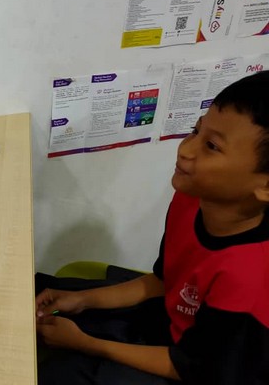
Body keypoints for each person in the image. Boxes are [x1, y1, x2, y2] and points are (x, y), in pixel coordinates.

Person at [35, 71, 269, 384]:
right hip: (167, 323)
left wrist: (87, 344)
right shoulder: (190, 198)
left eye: (212, 146)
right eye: (195, 130)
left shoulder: (250, 278)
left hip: (194, 367)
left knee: (57, 374)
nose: (186, 149)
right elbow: (163, 281)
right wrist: (83, 299)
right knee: (38, 297)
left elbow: (194, 367)